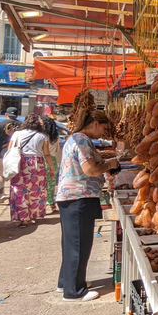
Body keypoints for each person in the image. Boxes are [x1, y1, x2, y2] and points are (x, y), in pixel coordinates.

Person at [56, 110, 119, 302]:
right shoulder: (81, 140)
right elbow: (90, 170)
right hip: (78, 196)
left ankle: (65, 283)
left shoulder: (76, 138)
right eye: (103, 128)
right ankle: (74, 291)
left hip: (72, 197)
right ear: (94, 124)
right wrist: (109, 165)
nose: (103, 133)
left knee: (71, 243)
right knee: (79, 244)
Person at [7, 114, 54, 227]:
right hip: (37, 164)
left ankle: (23, 218)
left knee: (19, 189)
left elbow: (10, 149)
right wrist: (51, 167)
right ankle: (34, 214)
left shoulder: (17, 134)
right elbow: (47, 153)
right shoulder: (42, 136)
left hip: (20, 163)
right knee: (35, 190)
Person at [42, 116, 62, 213]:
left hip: (43, 160)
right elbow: (57, 150)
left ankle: (42, 204)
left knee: (41, 184)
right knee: (51, 184)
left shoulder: (42, 137)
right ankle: (51, 203)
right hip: (53, 161)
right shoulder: (56, 137)